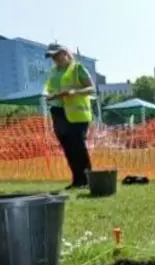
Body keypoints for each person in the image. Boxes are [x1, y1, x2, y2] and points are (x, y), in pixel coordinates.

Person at [44, 43, 95, 189]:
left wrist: (74, 92)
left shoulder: (77, 68)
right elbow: (49, 89)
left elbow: (91, 88)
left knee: (78, 146)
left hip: (76, 113)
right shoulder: (53, 72)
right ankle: (77, 180)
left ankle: (88, 180)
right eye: (51, 56)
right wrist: (49, 96)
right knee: (67, 147)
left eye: (56, 55)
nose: (54, 58)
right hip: (58, 112)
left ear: (64, 53)